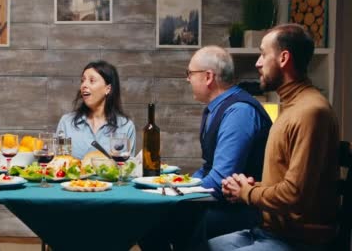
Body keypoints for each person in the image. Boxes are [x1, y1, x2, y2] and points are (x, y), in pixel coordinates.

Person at [209, 24, 339, 251]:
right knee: (200, 244)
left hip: (299, 240)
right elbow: (290, 182)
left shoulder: (310, 112)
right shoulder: (291, 106)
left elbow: (295, 194)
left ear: (283, 58)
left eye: (263, 54)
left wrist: (247, 193)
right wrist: (250, 187)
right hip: (270, 231)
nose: (258, 63)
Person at [138, 46, 272, 251]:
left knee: (157, 222)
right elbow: (209, 167)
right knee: (153, 219)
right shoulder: (218, 108)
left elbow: (220, 179)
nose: (188, 79)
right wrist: (179, 186)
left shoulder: (239, 112)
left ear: (208, 76)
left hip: (243, 210)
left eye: (190, 73)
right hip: (226, 205)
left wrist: (178, 194)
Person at [56, 60, 135, 160]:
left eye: (92, 80)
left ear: (108, 89)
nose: (84, 85)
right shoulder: (66, 123)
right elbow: (60, 163)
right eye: (82, 80)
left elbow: (127, 168)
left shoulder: (125, 126)